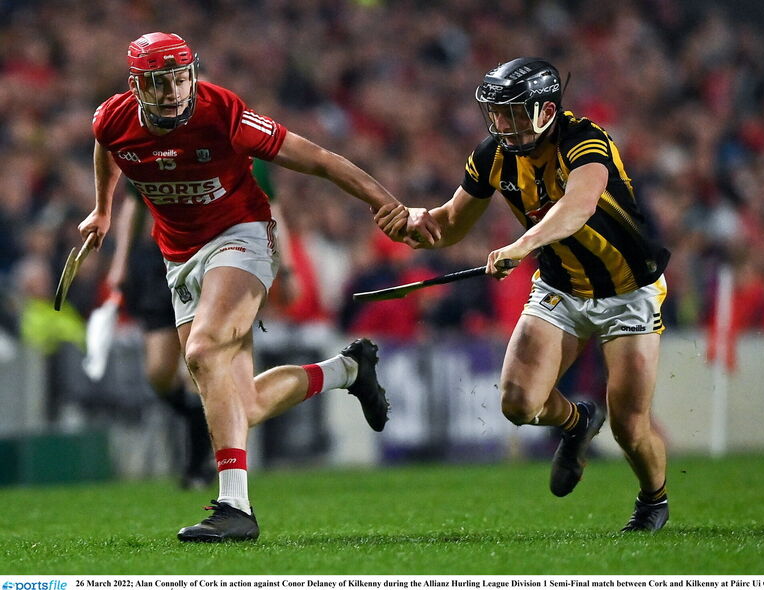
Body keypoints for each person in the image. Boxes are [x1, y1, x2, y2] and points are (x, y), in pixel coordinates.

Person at [78, 32, 435, 542]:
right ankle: (348, 370)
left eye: (180, 77)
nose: (174, 90)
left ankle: (235, 508)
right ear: (137, 86)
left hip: (240, 235)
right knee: (240, 407)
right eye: (160, 82)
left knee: (202, 350)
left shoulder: (222, 111)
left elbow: (319, 159)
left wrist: (386, 204)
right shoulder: (112, 119)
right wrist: (103, 208)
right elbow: (105, 148)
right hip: (177, 254)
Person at [378, 57, 671, 532]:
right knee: (517, 403)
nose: (501, 124)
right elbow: (451, 224)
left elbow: (578, 205)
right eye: (496, 113)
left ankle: (652, 500)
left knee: (630, 425)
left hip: (628, 291)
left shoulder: (585, 139)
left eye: (513, 113)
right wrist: (417, 227)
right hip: (561, 286)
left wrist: (523, 244)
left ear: (546, 110)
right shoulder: (492, 154)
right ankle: (576, 421)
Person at [106, 184, 214, 489]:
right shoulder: (141, 147)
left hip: (201, 254)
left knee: (197, 363)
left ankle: (197, 466)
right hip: (157, 259)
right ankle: (206, 422)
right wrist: (121, 261)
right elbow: (133, 204)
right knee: (159, 374)